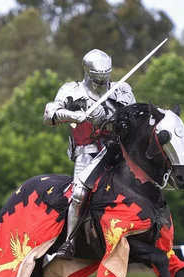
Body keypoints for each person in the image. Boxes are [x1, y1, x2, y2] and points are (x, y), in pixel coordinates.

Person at [43, 49, 136, 259]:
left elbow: (133, 121)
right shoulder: (71, 90)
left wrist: (112, 118)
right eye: (97, 78)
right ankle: (69, 242)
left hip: (117, 151)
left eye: (105, 77)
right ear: (88, 72)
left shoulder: (123, 90)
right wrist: (73, 114)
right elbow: (49, 114)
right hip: (87, 151)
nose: (101, 82)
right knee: (79, 193)